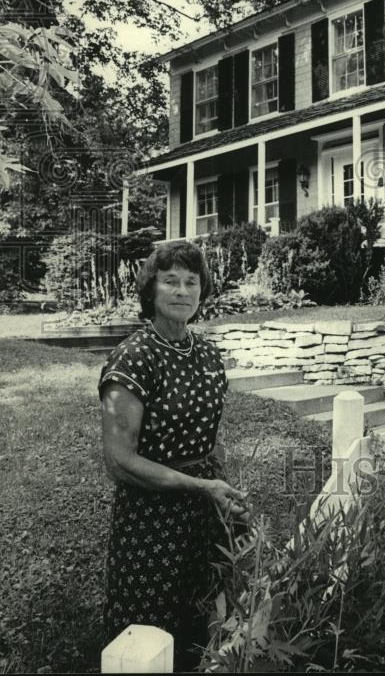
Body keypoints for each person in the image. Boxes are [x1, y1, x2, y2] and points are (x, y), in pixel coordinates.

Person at [99, 241, 249, 671]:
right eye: (170, 281)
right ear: (151, 290)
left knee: (202, 615)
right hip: (152, 516)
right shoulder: (134, 357)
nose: (182, 291)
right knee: (148, 625)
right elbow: (120, 460)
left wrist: (227, 496)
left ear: (202, 292)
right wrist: (202, 485)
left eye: (191, 282)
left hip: (204, 509)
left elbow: (209, 437)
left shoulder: (206, 353)